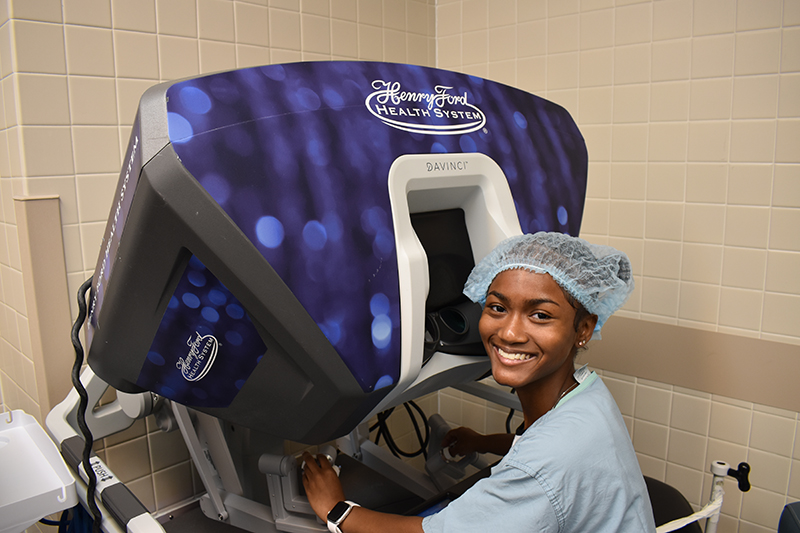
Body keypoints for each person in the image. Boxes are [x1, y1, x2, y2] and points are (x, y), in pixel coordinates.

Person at [302, 232, 657, 532]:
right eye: (497, 308)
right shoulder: (587, 393)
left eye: (540, 315)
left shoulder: (543, 466)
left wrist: (336, 509)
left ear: (584, 329)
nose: (510, 333)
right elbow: (543, 447)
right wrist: (484, 442)